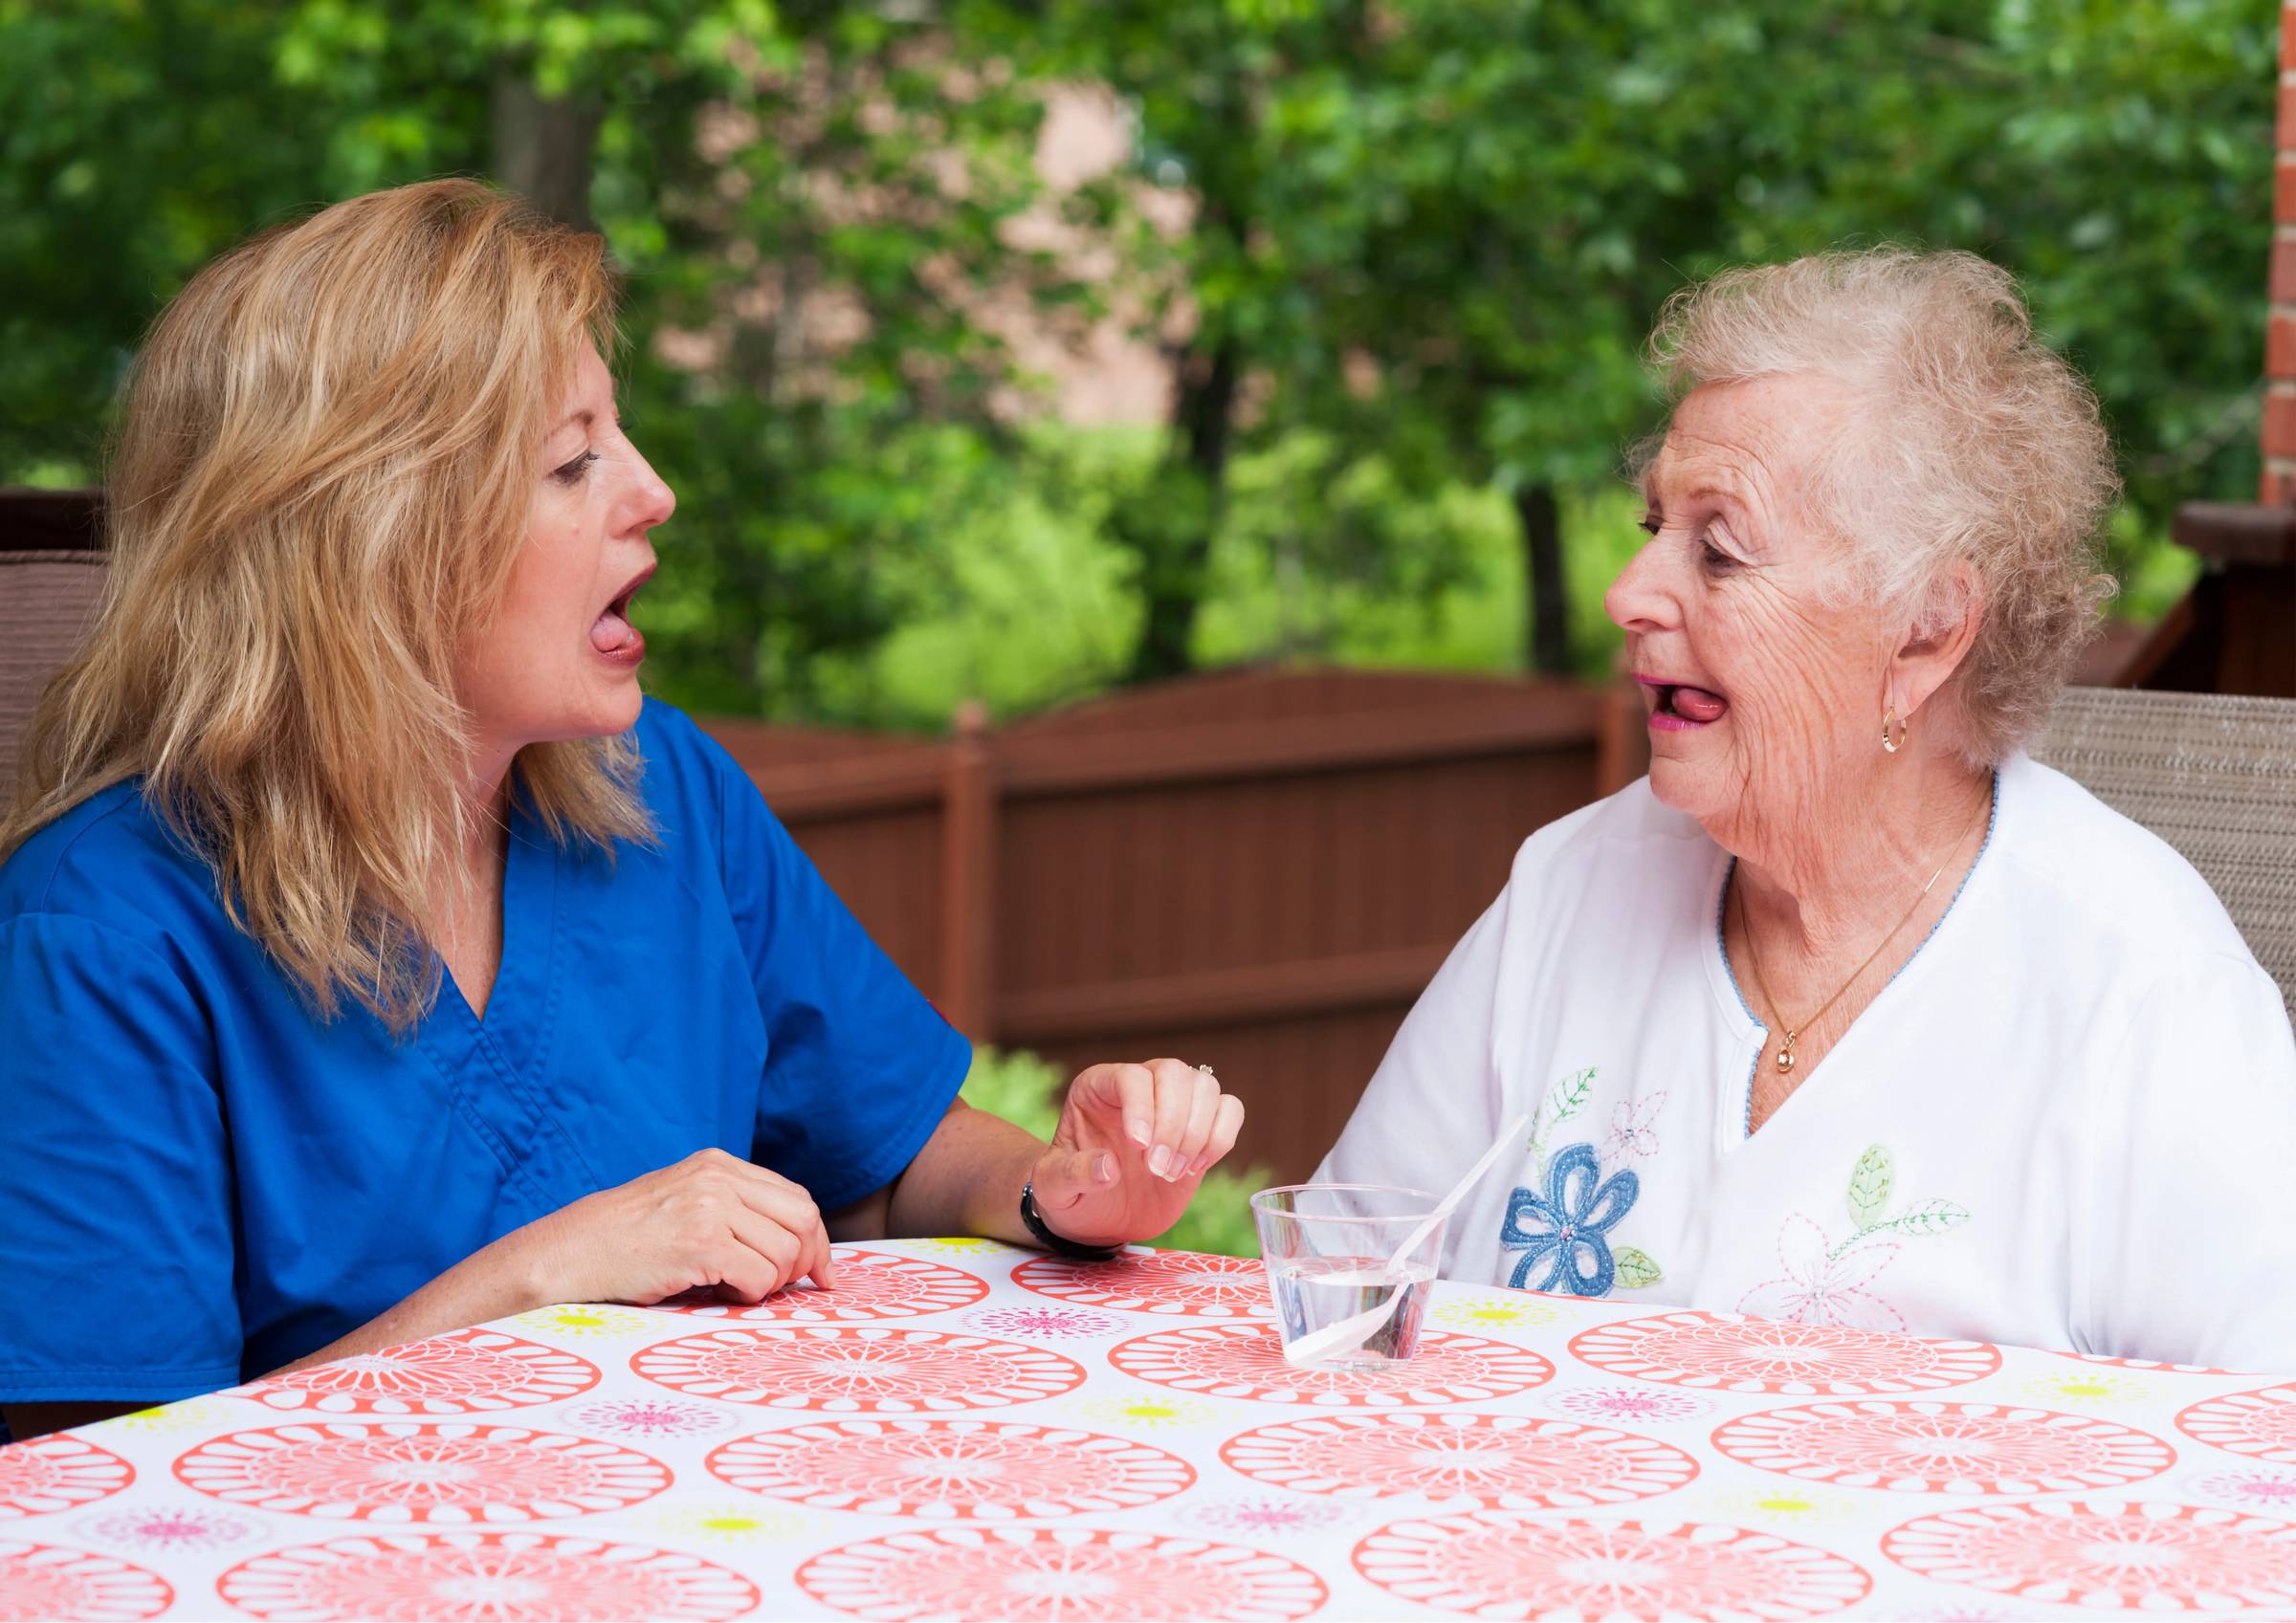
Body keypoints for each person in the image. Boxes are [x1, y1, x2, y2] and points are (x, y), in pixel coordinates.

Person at [0, 181, 1244, 1442]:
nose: (651, 492)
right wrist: (539, 1277)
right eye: (571, 458)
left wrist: (1058, 1185)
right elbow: (97, 1493)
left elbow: (887, 1160)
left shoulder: (667, 791)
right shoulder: (101, 933)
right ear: (369, 545)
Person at [1320, 248, 2296, 1371]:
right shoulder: (1570, 887)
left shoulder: (2144, 995)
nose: (1630, 594)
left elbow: (2255, 1461)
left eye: (1721, 551)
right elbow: (1347, 1301)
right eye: (1654, 531)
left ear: (1928, 629)